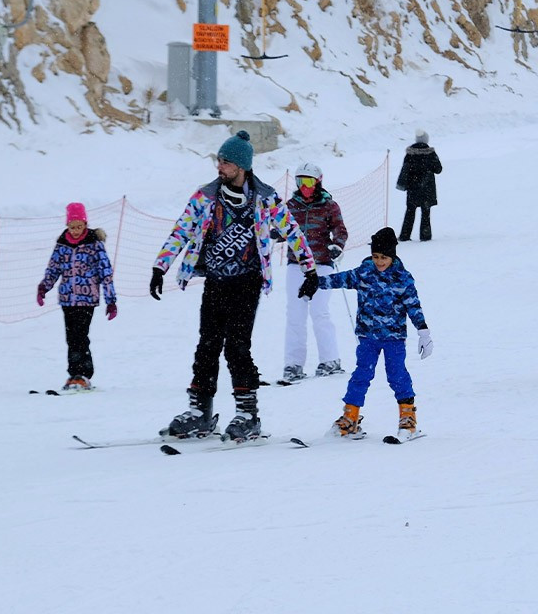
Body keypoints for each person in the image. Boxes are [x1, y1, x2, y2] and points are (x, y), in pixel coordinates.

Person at [150, 130, 317, 442]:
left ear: (241, 166)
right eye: (219, 160)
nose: (219, 167)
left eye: (225, 162)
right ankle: (200, 411)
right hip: (216, 281)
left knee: (237, 347)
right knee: (207, 345)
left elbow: (291, 230)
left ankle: (247, 413)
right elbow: (181, 230)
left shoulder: (265, 198)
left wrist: (309, 268)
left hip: (247, 281)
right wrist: (161, 266)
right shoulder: (206, 196)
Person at [300, 227, 432, 440]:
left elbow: (413, 306)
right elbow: (341, 279)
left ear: (392, 256)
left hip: (394, 338)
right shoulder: (365, 272)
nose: (379, 262)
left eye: (384, 257)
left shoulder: (402, 278)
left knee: (397, 375)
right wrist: (316, 282)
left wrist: (423, 331)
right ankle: (350, 417)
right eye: (376, 256)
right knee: (361, 375)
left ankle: (408, 418)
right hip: (368, 337)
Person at [37, 202, 117, 391]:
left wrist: (111, 300)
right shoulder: (62, 244)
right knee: (71, 337)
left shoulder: (94, 243)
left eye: (79, 226)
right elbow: (54, 268)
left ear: (85, 224)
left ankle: (83, 374)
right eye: (72, 227)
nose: (75, 230)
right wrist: (43, 287)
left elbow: (105, 271)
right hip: (67, 298)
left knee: (80, 336)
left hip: (87, 298)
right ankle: (74, 374)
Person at [282, 162, 349, 383]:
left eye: (309, 182)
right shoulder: (291, 205)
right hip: (297, 264)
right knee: (295, 314)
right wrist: (276, 233)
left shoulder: (329, 205)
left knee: (319, 311)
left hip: (321, 263)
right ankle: (293, 364)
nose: (305, 186)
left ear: (318, 182)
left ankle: (330, 360)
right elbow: (282, 227)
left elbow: (340, 230)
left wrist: (337, 246)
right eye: (300, 181)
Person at [396, 130, 442, 242]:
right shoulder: (430, 153)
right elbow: (438, 169)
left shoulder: (410, 154)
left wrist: (403, 184)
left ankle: (405, 235)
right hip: (427, 188)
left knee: (410, 211)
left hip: (413, 188)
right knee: (426, 212)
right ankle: (425, 235)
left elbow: (405, 170)